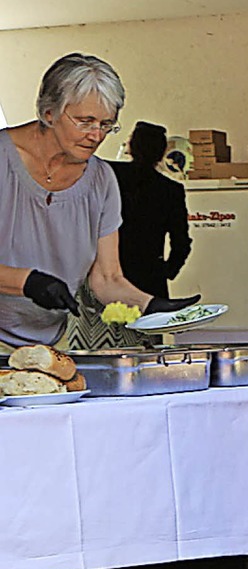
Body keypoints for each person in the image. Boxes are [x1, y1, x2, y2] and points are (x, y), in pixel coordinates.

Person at [0, 52, 198, 352]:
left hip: (50, 343)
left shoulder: (101, 179)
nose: (96, 135)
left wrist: (151, 304)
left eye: (107, 124)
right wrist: (27, 281)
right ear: (49, 111)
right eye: (85, 121)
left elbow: (106, 278)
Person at [67, 120, 193, 349]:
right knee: (142, 356)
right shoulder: (171, 191)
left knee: (93, 350)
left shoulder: (109, 174)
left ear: (131, 147)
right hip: (147, 280)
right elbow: (182, 244)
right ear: (162, 151)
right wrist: (165, 271)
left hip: (100, 274)